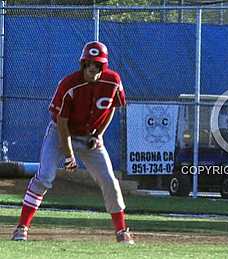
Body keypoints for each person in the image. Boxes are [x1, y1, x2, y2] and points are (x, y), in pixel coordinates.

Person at [11, 41, 135, 244]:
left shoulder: (113, 81)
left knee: (109, 180)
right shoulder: (69, 84)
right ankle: (21, 228)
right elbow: (62, 122)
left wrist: (99, 134)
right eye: (89, 64)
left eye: (97, 64)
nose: (93, 68)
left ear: (104, 66)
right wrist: (69, 155)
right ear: (83, 64)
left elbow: (113, 105)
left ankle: (122, 231)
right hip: (61, 133)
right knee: (45, 176)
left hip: (90, 137)